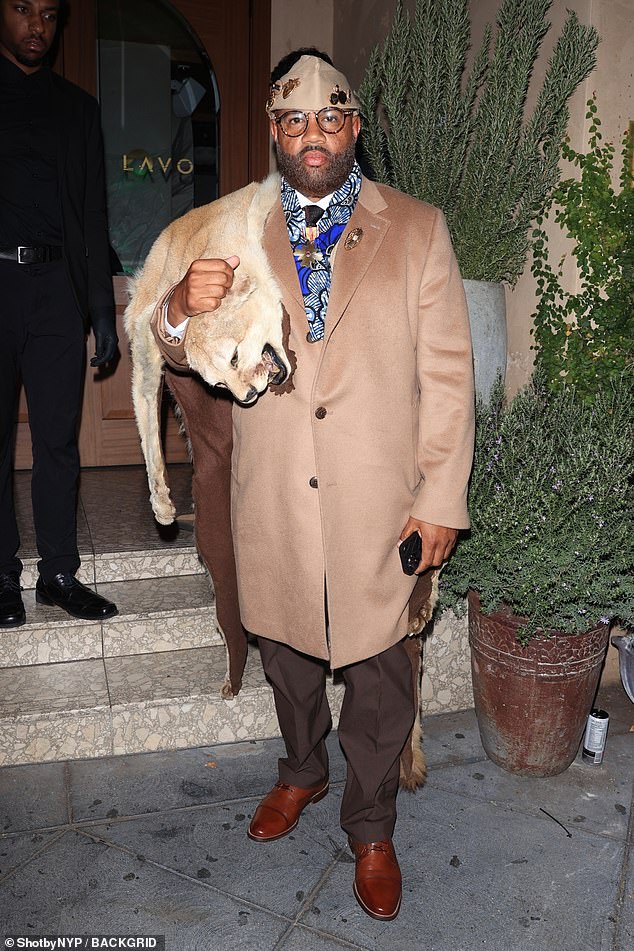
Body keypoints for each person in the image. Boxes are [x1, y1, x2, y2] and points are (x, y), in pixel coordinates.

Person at [140, 52, 475, 921]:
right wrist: (179, 305)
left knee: (378, 674)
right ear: (274, 129)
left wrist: (441, 497)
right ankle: (302, 771)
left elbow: (447, 372)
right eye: (294, 120)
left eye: (331, 118)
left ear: (355, 126)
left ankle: (371, 823)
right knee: (286, 655)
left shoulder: (417, 227)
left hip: (376, 498)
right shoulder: (233, 227)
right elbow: (178, 345)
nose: (313, 135)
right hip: (276, 495)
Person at [0, 0, 119, 627]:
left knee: (57, 441)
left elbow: (93, 216)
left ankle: (58, 574)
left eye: (48, 12)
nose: (35, 25)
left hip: (55, 290)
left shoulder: (79, 110)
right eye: (21, 8)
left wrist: (101, 310)